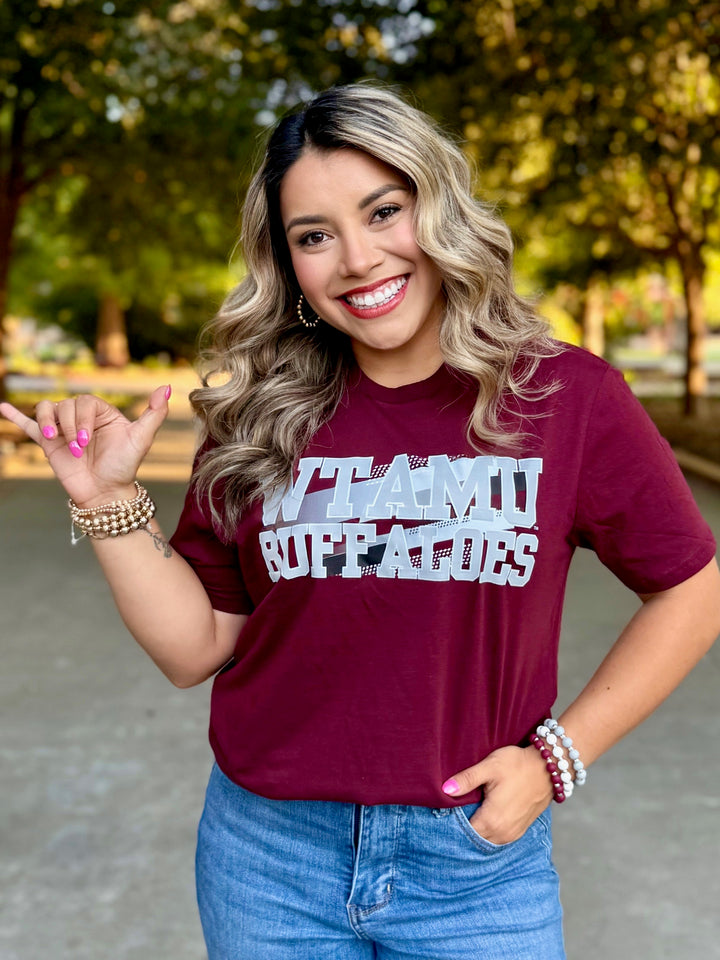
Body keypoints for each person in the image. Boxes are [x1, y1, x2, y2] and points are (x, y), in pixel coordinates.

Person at [2, 83, 719, 960]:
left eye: (385, 210)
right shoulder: (259, 416)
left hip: (474, 867)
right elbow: (195, 648)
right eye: (314, 236)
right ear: (287, 261)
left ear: (439, 204)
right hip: (267, 859)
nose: (357, 259)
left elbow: (691, 586)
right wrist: (106, 502)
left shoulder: (565, 398)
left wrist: (558, 758)